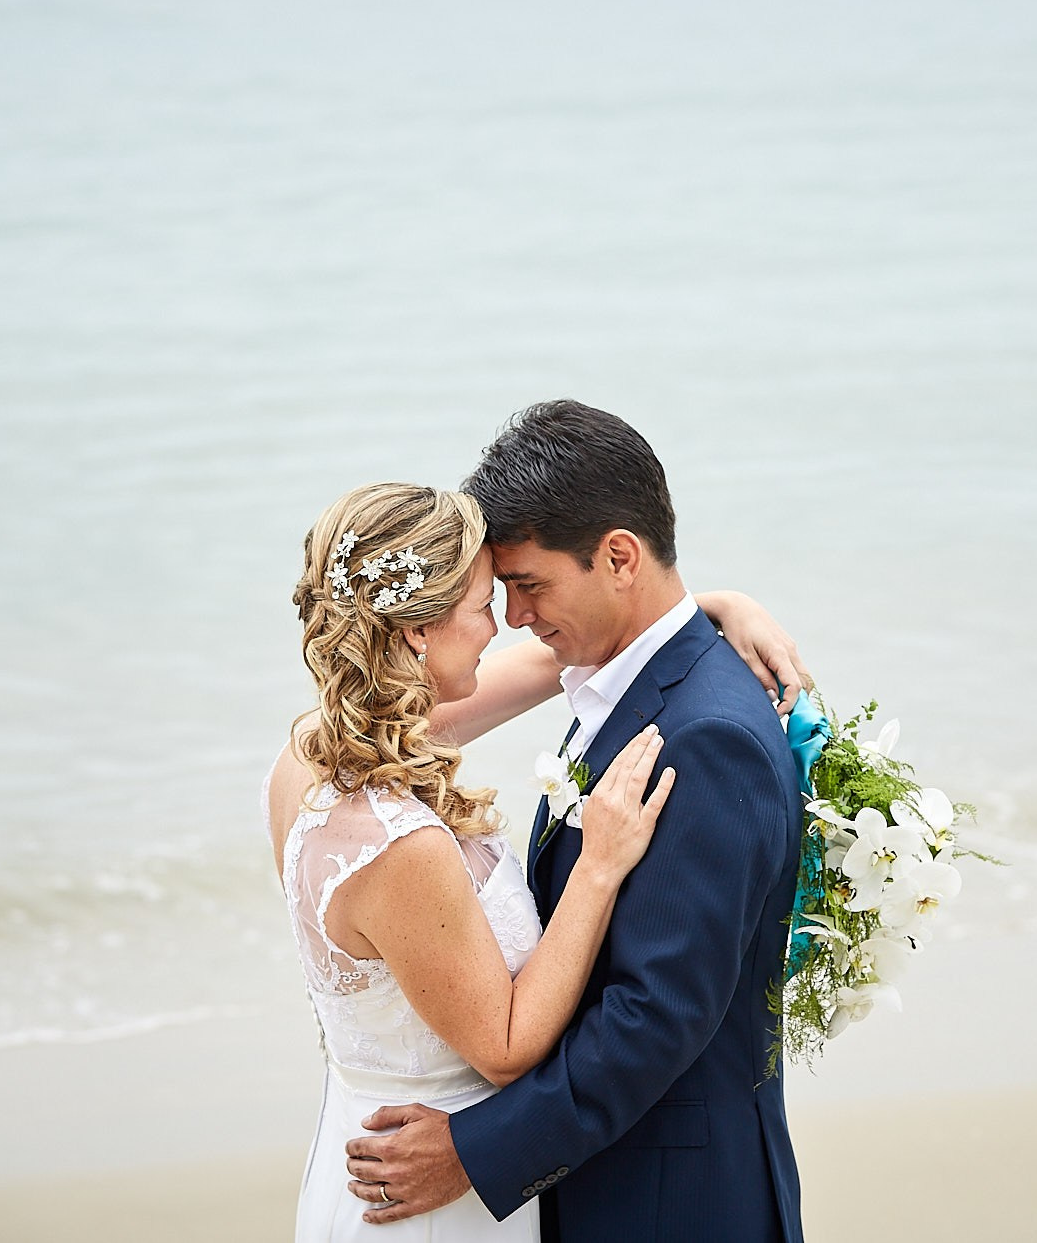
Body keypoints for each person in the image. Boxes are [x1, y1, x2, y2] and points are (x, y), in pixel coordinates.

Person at [265, 477, 808, 1242]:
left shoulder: (308, 760)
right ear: (418, 630)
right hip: (427, 1184)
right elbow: (508, 1047)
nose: (507, 624)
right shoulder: (399, 844)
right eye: (486, 603)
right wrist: (599, 865)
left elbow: (564, 657)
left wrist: (709, 606)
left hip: (354, 1136)